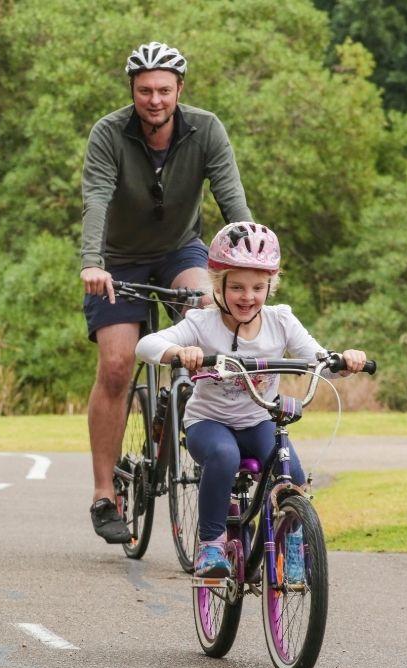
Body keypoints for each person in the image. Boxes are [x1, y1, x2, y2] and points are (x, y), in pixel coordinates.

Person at [81, 41, 253, 543]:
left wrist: (247, 260)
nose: (154, 100)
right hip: (116, 259)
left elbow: (232, 199)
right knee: (116, 364)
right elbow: (96, 197)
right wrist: (92, 263)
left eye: (163, 90)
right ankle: (103, 494)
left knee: (209, 308)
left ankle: (209, 435)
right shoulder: (109, 133)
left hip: (180, 250)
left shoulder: (207, 129)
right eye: (143, 91)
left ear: (180, 90)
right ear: (131, 92)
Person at [135, 222, 367, 577]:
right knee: (224, 456)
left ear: (270, 286)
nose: (248, 297)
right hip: (208, 424)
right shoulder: (202, 323)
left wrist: (345, 360)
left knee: (292, 473)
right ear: (219, 285)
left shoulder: (281, 321)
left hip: (258, 421)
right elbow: (146, 345)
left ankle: (287, 544)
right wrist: (179, 352)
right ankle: (211, 546)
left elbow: (320, 361)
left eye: (259, 287)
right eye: (238, 287)